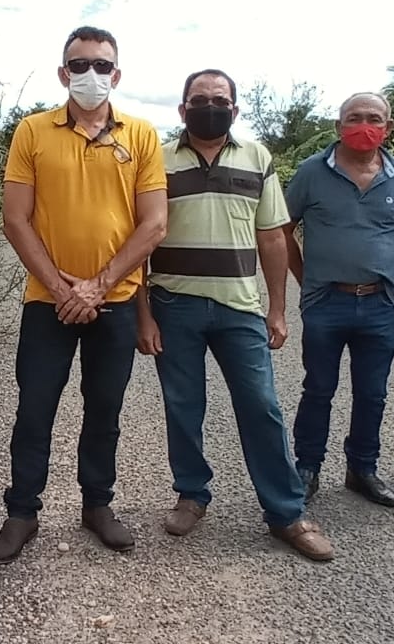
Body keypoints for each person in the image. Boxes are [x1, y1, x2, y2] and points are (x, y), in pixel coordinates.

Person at [135, 69, 334, 561]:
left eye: (219, 99)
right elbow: (140, 239)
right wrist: (143, 315)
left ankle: (286, 513)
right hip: (173, 304)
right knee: (183, 406)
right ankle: (191, 494)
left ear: (235, 109)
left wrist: (278, 309)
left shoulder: (258, 157)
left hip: (240, 308)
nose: (209, 106)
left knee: (262, 407)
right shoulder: (155, 160)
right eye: (198, 99)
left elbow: (272, 237)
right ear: (182, 110)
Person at [0, 26, 168, 565]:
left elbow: (153, 224)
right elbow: (15, 220)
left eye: (102, 65)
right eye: (79, 65)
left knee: (105, 408)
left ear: (117, 73)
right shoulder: (33, 130)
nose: (91, 74)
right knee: (35, 407)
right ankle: (21, 512)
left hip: (112, 301)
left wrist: (99, 284)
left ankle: (97, 505)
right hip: (48, 302)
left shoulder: (140, 135)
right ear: (63, 73)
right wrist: (65, 287)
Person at [282, 93, 394, 508]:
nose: (364, 125)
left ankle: (363, 468)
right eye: (353, 118)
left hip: (378, 304)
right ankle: (307, 467)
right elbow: (282, 229)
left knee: (373, 392)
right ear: (339, 126)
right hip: (326, 301)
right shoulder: (311, 172)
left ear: (388, 128)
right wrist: (305, 282)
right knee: (318, 388)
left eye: (373, 118)